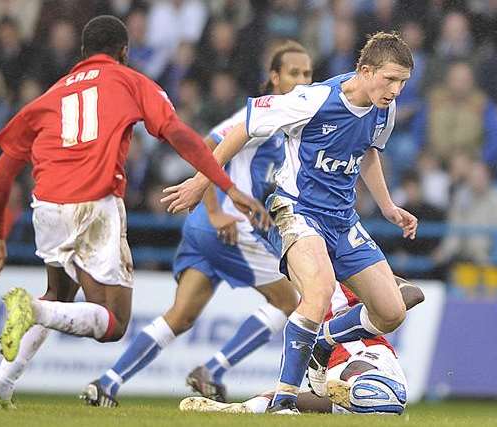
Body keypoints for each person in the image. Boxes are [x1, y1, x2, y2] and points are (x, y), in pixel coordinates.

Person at [0, 15, 269, 409]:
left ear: (82, 52)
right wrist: (227, 185)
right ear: (124, 52)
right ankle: (33, 310)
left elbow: (2, 171)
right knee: (113, 323)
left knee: (59, 293)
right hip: (93, 204)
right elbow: (178, 132)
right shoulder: (131, 81)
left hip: (46, 206)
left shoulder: (50, 95)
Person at [162, 32, 418, 414]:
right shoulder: (313, 99)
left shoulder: (384, 109)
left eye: (402, 82)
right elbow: (244, 127)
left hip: (342, 219)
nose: (396, 90)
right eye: (390, 79)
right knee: (317, 293)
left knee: (392, 311)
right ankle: (284, 400)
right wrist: (201, 182)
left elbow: (368, 154)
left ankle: (325, 342)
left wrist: (387, 206)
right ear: (364, 71)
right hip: (298, 211)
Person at [79, 41, 312, 407]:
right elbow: (206, 145)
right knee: (294, 300)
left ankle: (107, 382)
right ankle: (214, 370)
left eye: (307, 74)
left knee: (181, 316)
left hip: (205, 229)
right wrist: (218, 210)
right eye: (293, 73)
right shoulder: (269, 113)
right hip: (229, 227)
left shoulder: (290, 121)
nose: (301, 80)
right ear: (274, 77)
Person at [179, 277, 424, 415]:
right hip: (328, 374)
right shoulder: (295, 286)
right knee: (276, 401)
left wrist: (348, 323)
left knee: (357, 380)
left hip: (366, 353)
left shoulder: (357, 271)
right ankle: (239, 410)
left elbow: (413, 294)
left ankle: (368, 394)